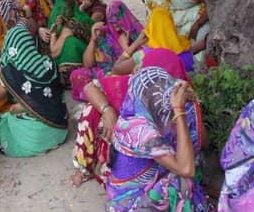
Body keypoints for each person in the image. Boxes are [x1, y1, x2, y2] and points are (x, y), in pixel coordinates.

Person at [105, 67, 215, 212]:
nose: (162, 100)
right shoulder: (139, 130)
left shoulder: (143, 114)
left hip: (145, 191)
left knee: (191, 160)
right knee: (182, 180)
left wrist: (190, 105)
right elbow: (186, 169)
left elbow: (202, 143)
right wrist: (179, 111)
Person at [71, 49, 190, 187]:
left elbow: (194, 149)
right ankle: (86, 168)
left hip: (158, 155)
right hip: (129, 142)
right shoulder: (138, 85)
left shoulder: (182, 99)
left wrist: (179, 112)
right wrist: (107, 110)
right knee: (91, 110)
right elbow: (89, 88)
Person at [0, 24, 68, 157]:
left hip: (32, 140)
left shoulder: (10, 71)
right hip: (59, 131)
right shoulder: (49, 62)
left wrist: (4, 66)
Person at [69, 0, 144, 101]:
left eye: (118, 18)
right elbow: (88, 64)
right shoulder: (104, 33)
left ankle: (102, 97)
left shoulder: (138, 36)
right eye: (112, 20)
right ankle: (101, 95)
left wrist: (126, 47)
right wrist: (93, 40)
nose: (115, 24)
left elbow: (139, 63)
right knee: (77, 74)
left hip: (124, 74)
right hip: (105, 73)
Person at [112, 6, 195, 75]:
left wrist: (135, 44)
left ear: (151, 27)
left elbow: (116, 69)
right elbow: (198, 46)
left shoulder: (144, 55)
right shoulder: (185, 47)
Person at [47, 0, 94, 87]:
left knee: (69, 42)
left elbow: (54, 52)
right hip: (86, 56)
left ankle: (72, 76)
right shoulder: (61, 22)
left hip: (85, 58)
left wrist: (55, 34)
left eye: (65, 8)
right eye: (59, 8)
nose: (62, 11)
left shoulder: (72, 24)